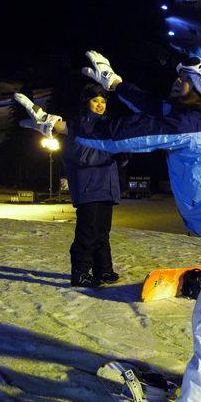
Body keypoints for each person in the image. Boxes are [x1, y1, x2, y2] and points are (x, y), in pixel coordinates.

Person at [15, 50, 201, 402]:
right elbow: (154, 108)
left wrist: (60, 124)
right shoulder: (197, 119)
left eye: (185, 79)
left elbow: (122, 133)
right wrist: (115, 83)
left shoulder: (189, 125)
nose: (177, 81)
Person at [61, 84, 127, 288]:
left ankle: (103, 271)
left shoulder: (107, 125)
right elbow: (82, 155)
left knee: (102, 232)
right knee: (87, 233)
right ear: (86, 102)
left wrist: (123, 152)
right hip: (89, 187)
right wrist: (111, 151)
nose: (100, 105)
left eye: (103, 101)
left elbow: (115, 158)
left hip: (106, 187)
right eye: (95, 100)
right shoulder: (77, 126)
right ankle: (80, 273)